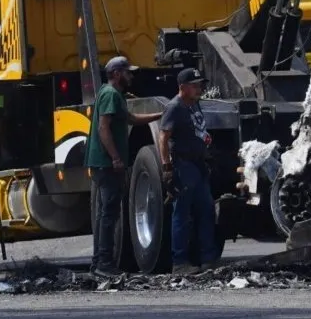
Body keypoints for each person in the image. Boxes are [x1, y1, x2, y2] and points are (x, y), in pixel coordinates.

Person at [86, 54, 161, 278]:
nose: (131, 75)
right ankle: (104, 264)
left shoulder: (111, 94)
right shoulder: (110, 95)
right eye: (127, 72)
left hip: (102, 163)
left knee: (104, 213)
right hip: (106, 163)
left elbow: (131, 119)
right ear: (117, 74)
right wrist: (116, 158)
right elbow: (103, 128)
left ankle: (98, 262)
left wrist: (160, 113)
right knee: (108, 214)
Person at [159, 67, 217, 274]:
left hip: (198, 165)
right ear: (182, 87)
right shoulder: (175, 107)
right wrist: (166, 167)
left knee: (206, 211)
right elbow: (163, 137)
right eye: (195, 85)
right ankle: (180, 262)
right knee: (182, 213)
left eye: (200, 85)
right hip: (183, 166)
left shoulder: (194, 105)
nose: (199, 88)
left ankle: (208, 259)